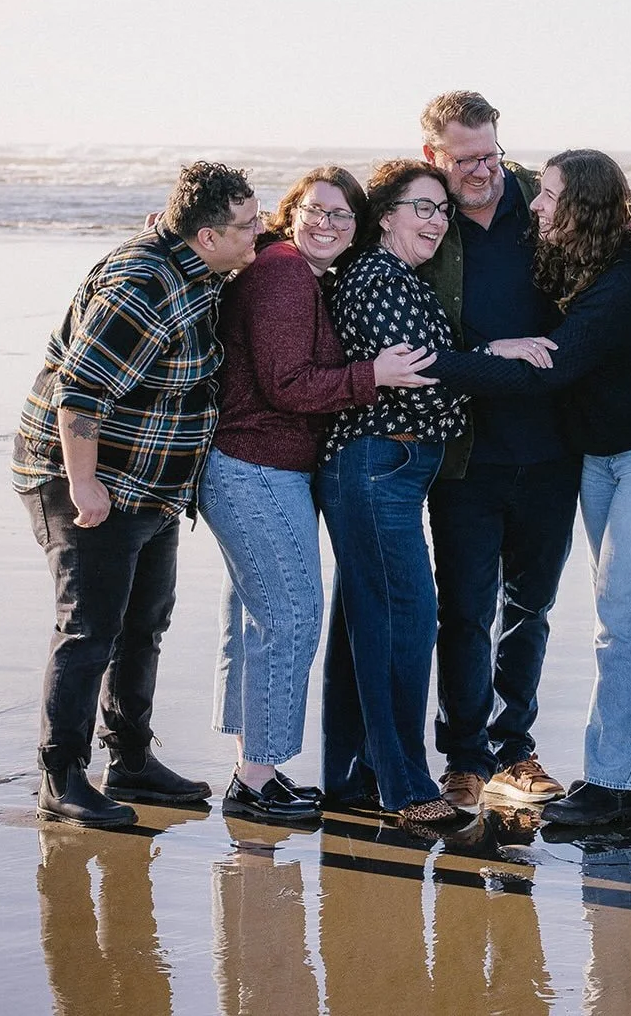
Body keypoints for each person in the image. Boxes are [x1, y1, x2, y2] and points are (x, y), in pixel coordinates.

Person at [429, 149, 631, 828]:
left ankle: (610, 787)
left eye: (549, 196)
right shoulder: (577, 255)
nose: (535, 205)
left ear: (579, 205)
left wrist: (441, 363)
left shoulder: (622, 280)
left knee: (622, 617)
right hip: (600, 454)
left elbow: (545, 371)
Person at [13, 161, 260, 829]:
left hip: (150, 483)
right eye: (248, 224)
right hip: (84, 476)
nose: (260, 232)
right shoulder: (140, 287)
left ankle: (129, 761)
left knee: (143, 624)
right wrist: (84, 483)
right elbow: (80, 392)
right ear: (206, 236)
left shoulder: (197, 264)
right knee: (89, 628)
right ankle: (60, 776)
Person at [199, 167, 437, 824]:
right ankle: (254, 783)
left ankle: (256, 770)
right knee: (291, 619)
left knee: (258, 621)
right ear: (291, 210)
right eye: (317, 209)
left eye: (343, 216)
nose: (328, 224)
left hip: (255, 466)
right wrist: (373, 374)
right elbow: (286, 385)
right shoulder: (282, 273)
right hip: (256, 467)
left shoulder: (286, 270)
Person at [417, 90, 580, 814]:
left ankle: (515, 750)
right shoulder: (422, 209)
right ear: (433, 156)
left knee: (531, 607)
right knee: (464, 610)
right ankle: (463, 759)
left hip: (551, 445)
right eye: (465, 159)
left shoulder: (537, 200)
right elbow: (321, 231)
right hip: (464, 453)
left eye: (490, 153)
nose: (482, 170)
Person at [316, 159, 469, 826]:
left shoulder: (393, 276)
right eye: (422, 207)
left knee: (365, 624)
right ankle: (405, 787)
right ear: (385, 215)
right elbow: (420, 371)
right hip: (377, 467)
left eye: (442, 210)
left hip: (386, 469)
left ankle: (352, 774)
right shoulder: (377, 277)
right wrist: (501, 360)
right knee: (403, 623)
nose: (435, 220)